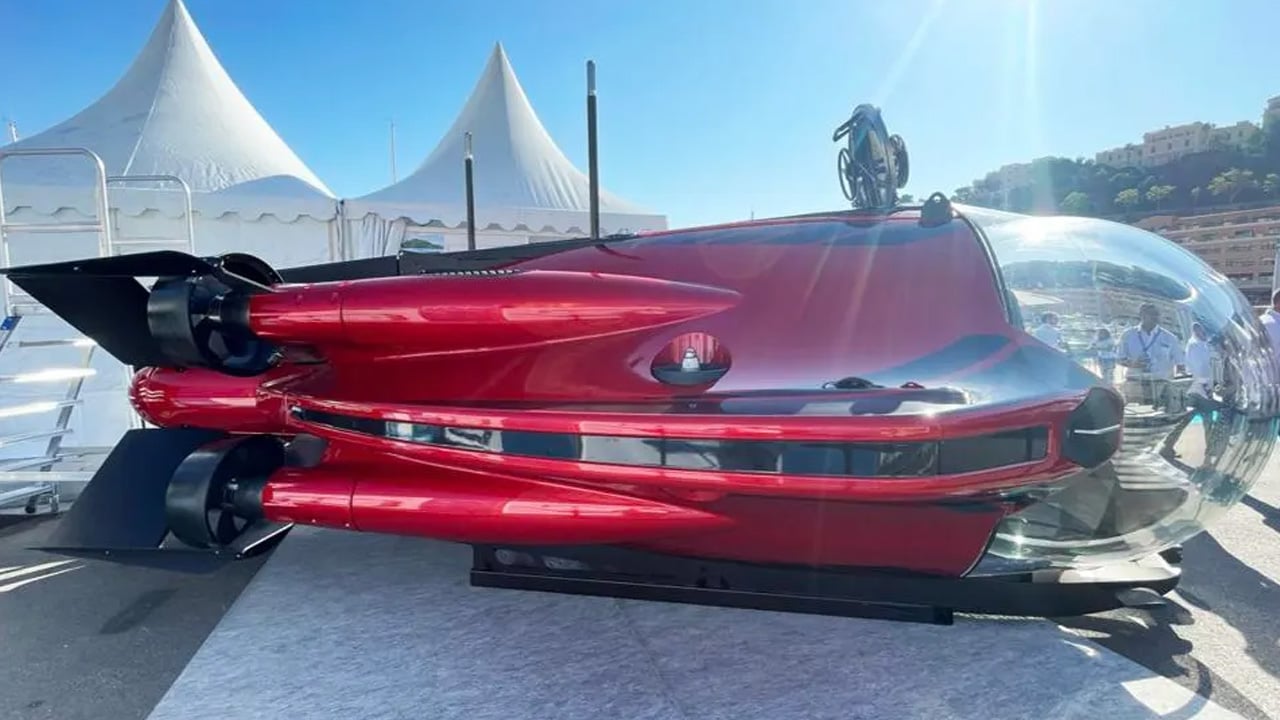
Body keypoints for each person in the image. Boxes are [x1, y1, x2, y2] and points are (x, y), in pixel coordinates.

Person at [1116, 303, 1186, 413]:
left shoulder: (1170, 338)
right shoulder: (1128, 335)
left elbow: (1180, 365)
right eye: (1152, 314)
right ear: (1142, 315)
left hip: (1161, 386)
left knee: (1161, 419)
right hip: (1136, 384)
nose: (1156, 317)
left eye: (1157, 315)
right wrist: (1133, 364)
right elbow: (1120, 359)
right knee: (1137, 418)